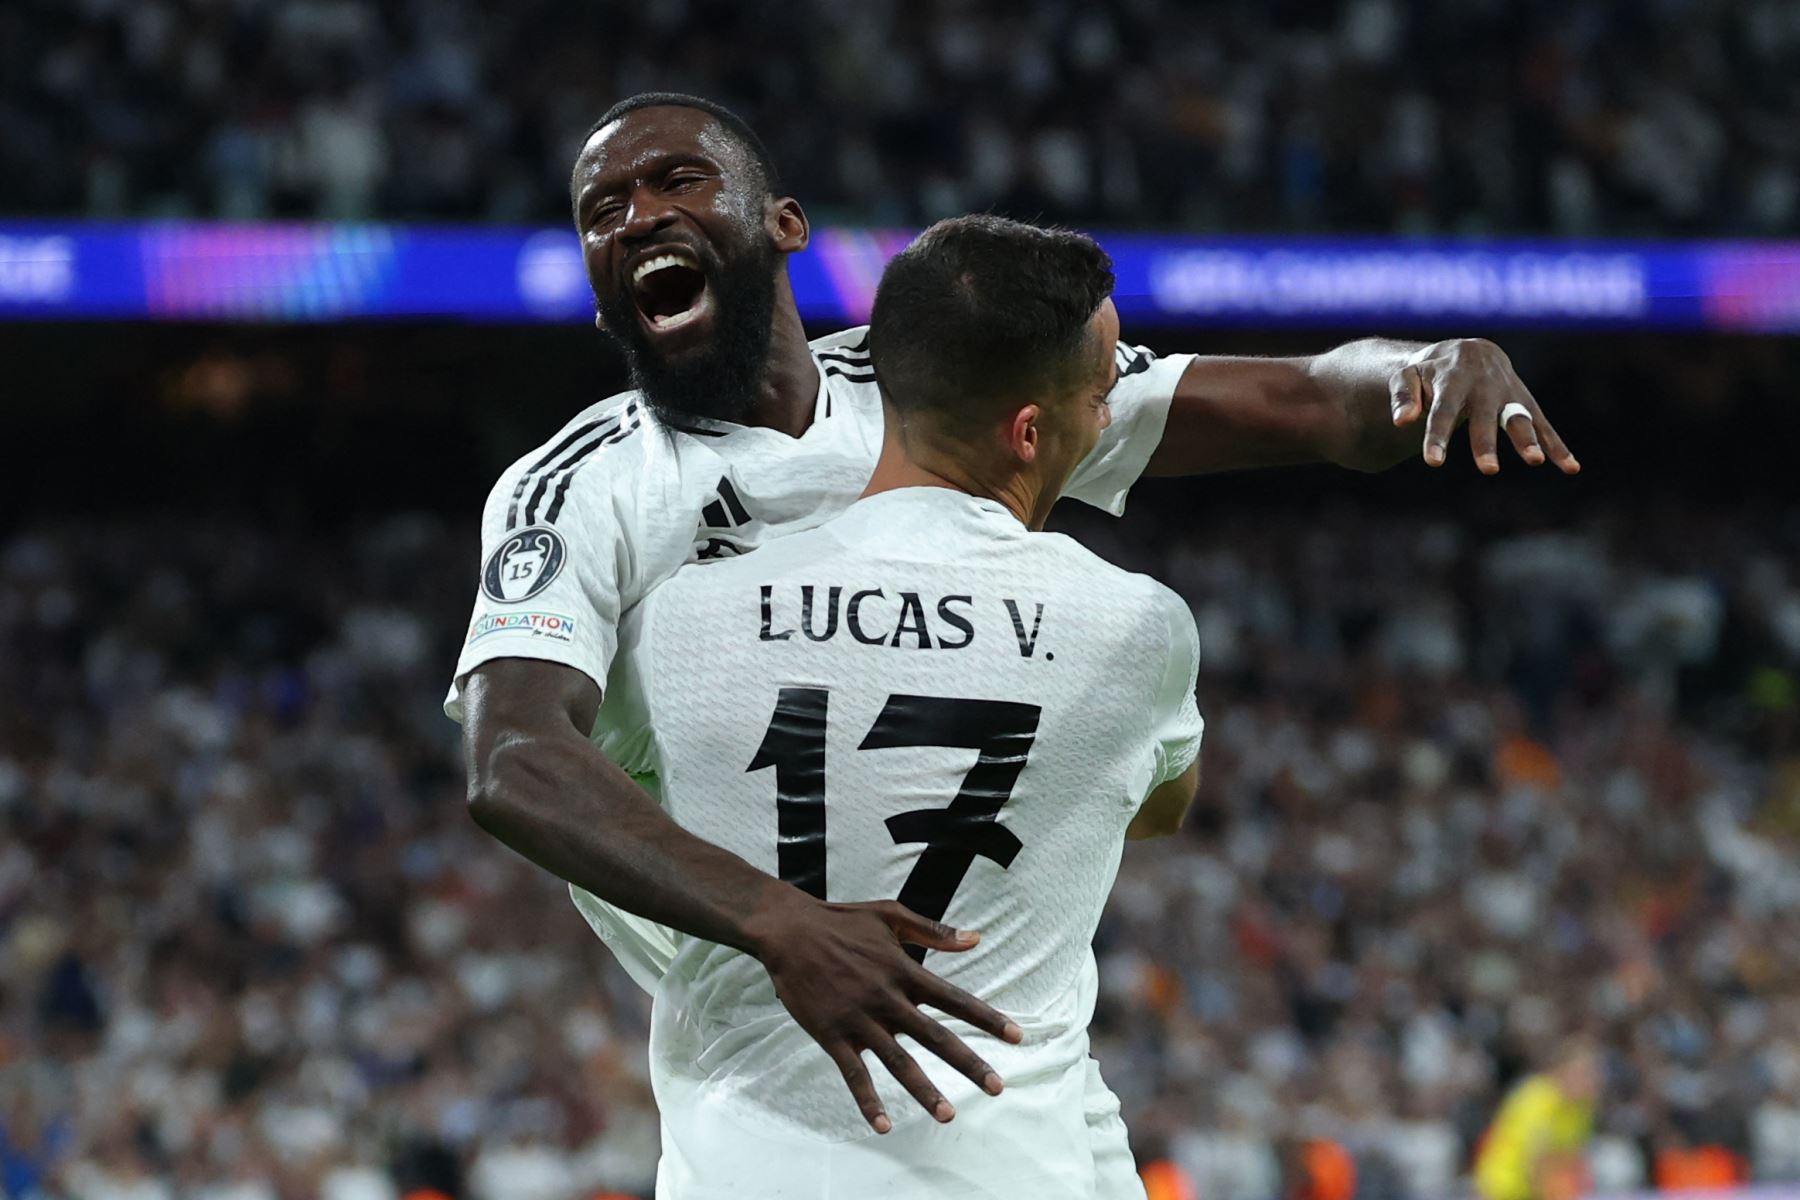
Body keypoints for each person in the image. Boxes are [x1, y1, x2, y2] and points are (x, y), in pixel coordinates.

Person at [447, 90, 1578, 1174]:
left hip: (1004, 1004)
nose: (639, 215)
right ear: (599, 294)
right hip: (760, 993)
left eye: (676, 179)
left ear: (784, 226)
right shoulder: (584, 486)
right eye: (604, 211)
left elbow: (1315, 403)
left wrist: (1426, 368)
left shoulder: (931, 382)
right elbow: (512, 756)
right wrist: (779, 921)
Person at [599, 212, 1204, 1197]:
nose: (1107, 419)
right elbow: (1161, 806)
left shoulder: (680, 618)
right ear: (1030, 431)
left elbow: (588, 798)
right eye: (1102, 397)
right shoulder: (1137, 625)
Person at [1474, 1038, 1604, 1200]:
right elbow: (1535, 1160)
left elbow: (1574, 1158)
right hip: (1502, 1190)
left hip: (1537, 1192)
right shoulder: (1536, 1100)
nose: (1591, 1081)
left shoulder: (1581, 1110)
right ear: (1562, 1071)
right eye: (1585, 1073)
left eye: (1593, 1074)